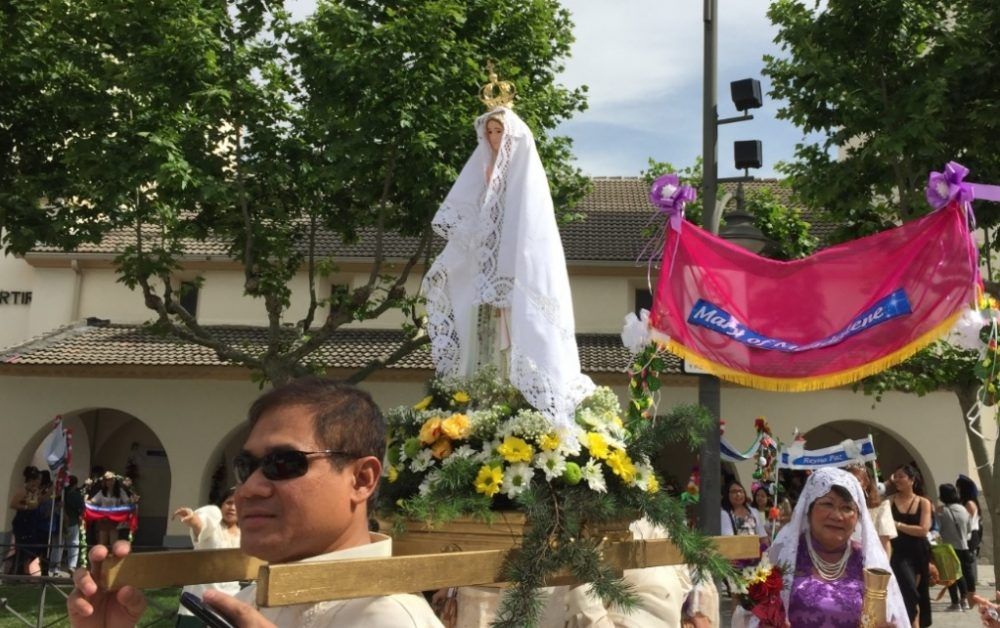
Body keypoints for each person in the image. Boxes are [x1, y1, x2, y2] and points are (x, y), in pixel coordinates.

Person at [68, 377, 443, 627]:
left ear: (361, 480)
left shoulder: (388, 616)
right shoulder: (251, 598)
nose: (248, 489)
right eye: (246, 466)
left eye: (284, 463)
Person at [421, 103, 594, 430]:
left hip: (516, 281)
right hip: (483, 287)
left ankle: (518, 410)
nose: (494, 138)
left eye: (499, 131)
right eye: (489, 132)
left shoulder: (524, 175)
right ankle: (480, 411)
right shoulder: (483, 171)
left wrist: (507, 279)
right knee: (482, 346)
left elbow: (528, 236)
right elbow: (472, 231)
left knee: (515, 343)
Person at [738, 467, 909, 627]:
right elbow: (749, 614)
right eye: (827, 504)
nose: (837, 516)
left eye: (847, 508)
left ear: (857, 516)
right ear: (809, 510)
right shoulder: (784, 554)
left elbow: (890, 617)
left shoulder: (869, 561)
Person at [172, 487, 241, 627]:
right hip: (198, 604)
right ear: (221, 505)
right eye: (229, 503)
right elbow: (202, 524)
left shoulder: (245, 535)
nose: (232, 508)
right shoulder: (214, 524)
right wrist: (192, 519)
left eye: (238, 504)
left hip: (230, 601)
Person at [889, 464, 933, 627]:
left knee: (916, 594)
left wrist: (897, 524)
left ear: (912, 480)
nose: (896, 480)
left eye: (901, 476)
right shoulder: (890, 500)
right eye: (895, 476)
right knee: (908, 593)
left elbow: (923, 530)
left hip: (918, 553)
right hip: (898, 553)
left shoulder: (923, 502)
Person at [937, 483, 973, 612]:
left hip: (949, 548)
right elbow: (969, 529)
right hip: (964, 546)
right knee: (961, 574)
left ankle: (956, 602)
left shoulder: (942, 511)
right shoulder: (963, 509)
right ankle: (965, 601)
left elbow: (938, 529)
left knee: (951, 575)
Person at [847, 464, 896, 557]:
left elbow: (885, 541)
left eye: (856, 480)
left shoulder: (881, 506)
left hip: (870, 561)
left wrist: (883, 569)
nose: (851, 484)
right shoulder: (839, 506)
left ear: (865, 483)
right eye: (848, 480)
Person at [8, 465, 42, 574]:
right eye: (37, 480)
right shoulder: (22, 491)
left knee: (31, 548)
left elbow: (37, 503)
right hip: (22, 522)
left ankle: (24, 569)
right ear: (32, 480)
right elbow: (13, 504)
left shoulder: (34, 491)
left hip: (31, 522)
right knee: (22, 548)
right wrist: (26, 507)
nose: (38, 482)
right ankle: (17, 571)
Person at [87, 472, 133, 547]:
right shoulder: (102, 492)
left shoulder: (120, 491)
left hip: (114, 519)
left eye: (111, 480)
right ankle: (101, 557)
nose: (109, 482)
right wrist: (86, 501)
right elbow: (93, 501)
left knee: (113, 542)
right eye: (107, 480)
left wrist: (132, 499)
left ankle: (112, 558)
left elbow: (127, 501)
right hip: (103, 519)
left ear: (115, 481)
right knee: (102, 542)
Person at [956, 473, 982, 602]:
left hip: (970, 536)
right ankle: (966, 593)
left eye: (958, 487)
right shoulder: (964, 502)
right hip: (966, 535)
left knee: (966, 566)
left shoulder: (969, 503)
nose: (957, 490)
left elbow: (969, 523)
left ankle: (970, 594)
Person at [720, 480, 768, 546]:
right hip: (737, 553)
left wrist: (765, 550)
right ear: (727, 495)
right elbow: (729, 540)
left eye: (740, 491)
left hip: (756, 553)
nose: (738, 494)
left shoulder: (753, 512)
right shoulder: (724, 514)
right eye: (734, 492)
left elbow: (763, 537)